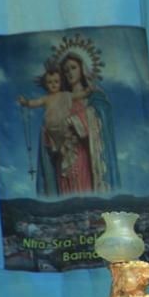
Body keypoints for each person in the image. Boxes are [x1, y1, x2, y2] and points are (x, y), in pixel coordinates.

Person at [34, 52, 120, 196]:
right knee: (66, 194)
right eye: (66, 70)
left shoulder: (94, 96)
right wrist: (48, 129)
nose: (70, 73)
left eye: (73, 68)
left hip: (84, 155)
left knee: (84, 192)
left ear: (82, 69)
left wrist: (74, 120)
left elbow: (101, 116)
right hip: (63, 158)